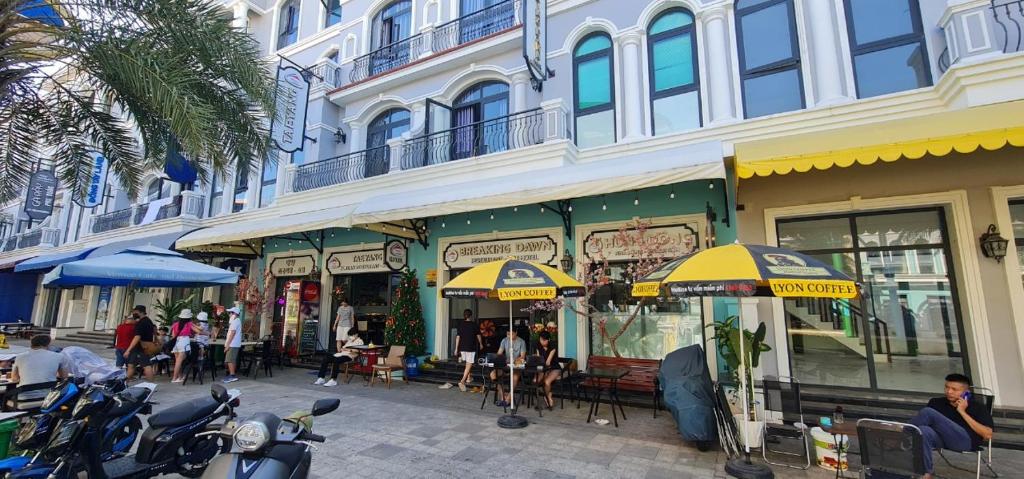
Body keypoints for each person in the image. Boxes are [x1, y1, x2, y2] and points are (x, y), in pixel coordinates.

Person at [909, 373, 994, 478]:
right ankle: (925, 474)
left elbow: (988, 435)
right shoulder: (936, 402)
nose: (949, 392)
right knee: (923, 430)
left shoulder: (978, 406)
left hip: (965, 441)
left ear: (966, 393)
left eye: (954, 389)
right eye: (946, 387)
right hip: (941, 439)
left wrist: (962, 412)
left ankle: (900, 436)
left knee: (927, 412)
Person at [490, 328, 526, 408]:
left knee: (515, 378)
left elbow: (522, 356)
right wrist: (497, 358)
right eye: (508, 334)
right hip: (505, 367)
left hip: (516, 367)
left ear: (516, 332)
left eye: (511, 334)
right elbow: (499, 353)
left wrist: (514, 360)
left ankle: (508, 399)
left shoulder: (521, 342)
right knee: (493, 374)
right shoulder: (504, 340)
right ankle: (503, 396)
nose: (509, 336)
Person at [123, 305, 157, 381]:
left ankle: (151, 384)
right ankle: (124, 382)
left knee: (146, 365)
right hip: (143, 346)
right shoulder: (148, 321)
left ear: (141, 312)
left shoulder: (141, 323)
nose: (134, 313)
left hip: (141, 347)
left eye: (135, 312)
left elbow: (137, 337)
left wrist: (128, 350)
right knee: (131, 365)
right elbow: (154, 331)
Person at [454, 309, 482, 392]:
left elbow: (458, 337)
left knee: (467, 364)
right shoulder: (474, 324)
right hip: (471, 347)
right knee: (469, 364)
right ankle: (462, 381)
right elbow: (478, 335)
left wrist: (456, 348)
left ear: (464, 315)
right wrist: (481, 343)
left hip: (462, 348)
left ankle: (469, 378)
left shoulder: (461, 324)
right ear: (471, 315)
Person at [534, 331, 561, 410]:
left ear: (548, 340)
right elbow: (539, 359)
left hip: (554, 368)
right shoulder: (538, 345)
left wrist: (544, 371)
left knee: (547, 381)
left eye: (544, 340)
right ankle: (545, 398)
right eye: (541, 340)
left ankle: (548, 397)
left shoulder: (553, 346)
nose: (542, 342)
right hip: (543, 368)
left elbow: (548, 362)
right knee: (535, 381)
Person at [170, 309, 194, 383]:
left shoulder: (175, 324)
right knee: (179, 361)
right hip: (183, 342)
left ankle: (179, 377)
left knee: (177, 361)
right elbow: (197, 331)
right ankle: (174, 378)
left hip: (176, 342)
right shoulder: (189, 324)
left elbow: (173, 336)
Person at [222, 307, 242, 383]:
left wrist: (227, 345)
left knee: (229, 360)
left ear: (234, 314)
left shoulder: (235, 322)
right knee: (232, 360)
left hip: (232, 344)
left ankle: (232, 375)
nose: (229, 314)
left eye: (230, 313)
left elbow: (232, 334)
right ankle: (232, 374)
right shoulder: (237, 321)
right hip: (234, 344)